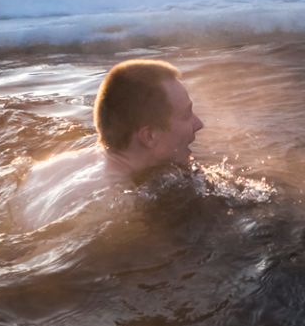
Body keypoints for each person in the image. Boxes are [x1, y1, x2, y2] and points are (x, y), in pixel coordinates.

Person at [12, 59, 204, 230]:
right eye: (186, 115)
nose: (198, 124)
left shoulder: (49, 166)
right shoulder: (115, 205)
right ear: (149, 136)